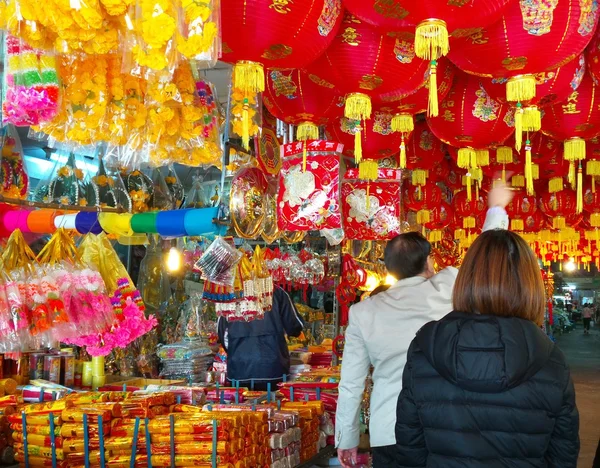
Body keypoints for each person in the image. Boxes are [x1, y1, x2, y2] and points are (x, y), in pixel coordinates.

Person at [335, 184, 513, 468]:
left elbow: (352, 384)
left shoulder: (362, 312)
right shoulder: (449, 285)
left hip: (389, 427)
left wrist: (346, 439)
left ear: (389, 269)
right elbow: (483, 258)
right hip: (446, 423)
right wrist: (496, 208)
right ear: (429, 262)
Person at [395, 229, 579, 467]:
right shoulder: (551, 360)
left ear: (467, 279)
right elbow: (563, 454)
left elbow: (410, 448)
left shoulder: (424, 349)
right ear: (530, 285)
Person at [217, 286, 305, 390]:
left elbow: (222, 333)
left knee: (241, 405)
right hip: (272, 368)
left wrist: (236, 351)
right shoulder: (276, 291)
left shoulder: (229, 293)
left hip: (239, 368)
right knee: (273, 404)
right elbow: (294, 325)